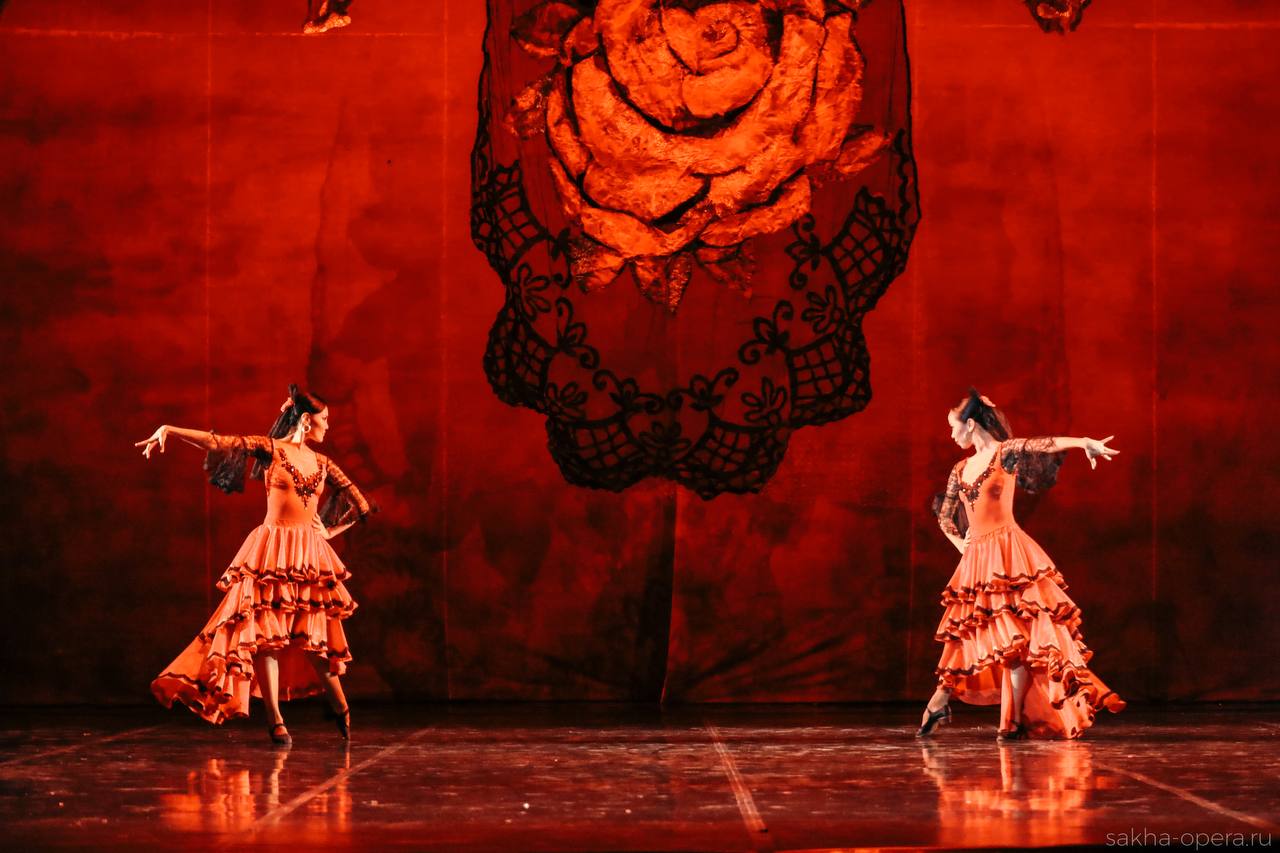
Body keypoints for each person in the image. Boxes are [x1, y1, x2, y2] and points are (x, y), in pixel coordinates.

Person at [139, 385, 373, 745]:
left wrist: (328, 531)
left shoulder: (323, 463)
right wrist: (170, 430)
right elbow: (221, 443)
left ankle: (340, 706)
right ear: (306, 421)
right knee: (266, 638)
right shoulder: (271, 449)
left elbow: (360, 504)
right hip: (271, 551)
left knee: (315, 639)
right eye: (324, 419)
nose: (328, 426)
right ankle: (276, 721)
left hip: (308, 556)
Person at [918, 389, 1125, 740]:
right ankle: (942, 699)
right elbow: (945, 517)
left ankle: (1011, 721)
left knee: (1018, 639)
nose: (951, 435)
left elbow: (1043, 444)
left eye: (954, 427)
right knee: (967, 632)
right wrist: (962, 546)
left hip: (1009, 553)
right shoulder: (960, 469)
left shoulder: (1006, 452)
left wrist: (1082, 443)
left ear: (971, 425)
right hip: (978, 559)